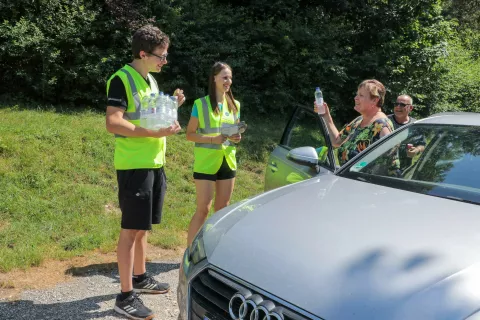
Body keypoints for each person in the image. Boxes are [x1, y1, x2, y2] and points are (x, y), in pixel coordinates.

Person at [105, 24, 185, 320]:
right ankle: (124, 297)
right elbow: (113, 122)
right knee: (130, 230)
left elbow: (151, 118)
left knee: (142, 228)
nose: (165, 61)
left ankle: (140, 277)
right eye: (161, 56)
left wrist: (171, 106)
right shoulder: (121, 79)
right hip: (133, 165)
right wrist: (152, 134)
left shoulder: (150, 81)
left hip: (154, 163)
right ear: (143, 53)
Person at [185, 62, 241, 247]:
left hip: (228, 161)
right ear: (214, 78)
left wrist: (236, 137)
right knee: (203, 209)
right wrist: (212, 139)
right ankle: (190, 253)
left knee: (222, 210)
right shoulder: (200, 104)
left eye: (230, 78)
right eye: (225, 77)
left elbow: (234, 132)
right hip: (206, 163)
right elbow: (189, 134)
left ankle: (213, 250)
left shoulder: (235, 105)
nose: (228, 81)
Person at [315, 79, 394, 166]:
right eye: (357, 94)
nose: (355, 98)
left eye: (361, 95)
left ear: (374, 100)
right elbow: (336, 141)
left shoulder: (382, 126)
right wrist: (326, 115)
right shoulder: (358, 120)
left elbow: (387, 165)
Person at [388, 95, 426, 173]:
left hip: (403, 169)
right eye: (396, 104)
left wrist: (416, 150)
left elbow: (422, 144)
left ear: (410, 108)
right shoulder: (385, 121)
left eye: (402, 105)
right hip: (382, 167)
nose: (398, 107)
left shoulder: (415, 125)